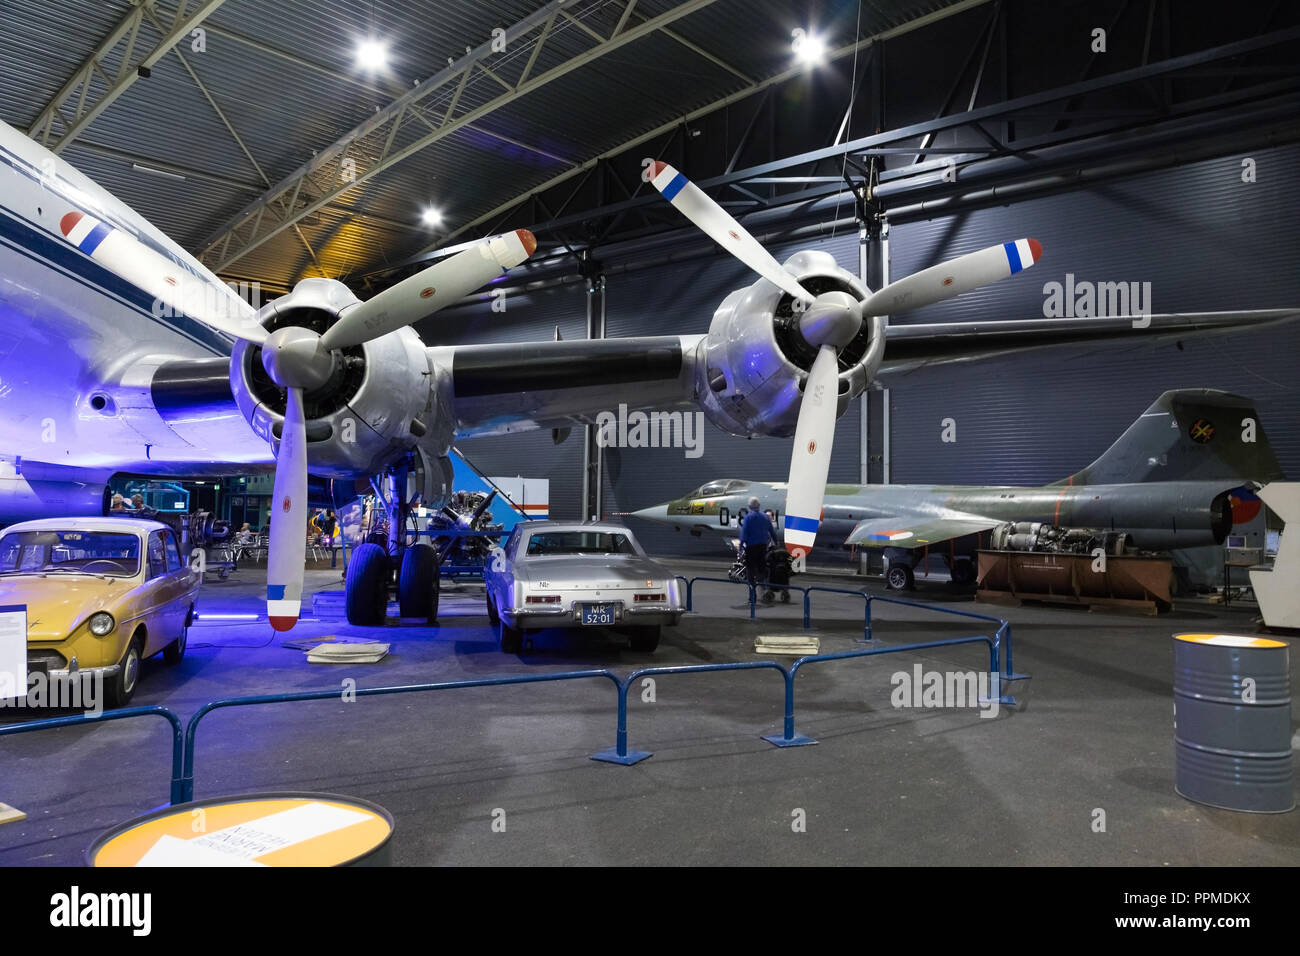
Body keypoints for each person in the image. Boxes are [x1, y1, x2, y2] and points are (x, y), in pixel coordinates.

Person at [739, 497, 778, 600]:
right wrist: (776, 543)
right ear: (759, 506)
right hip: (762, 548)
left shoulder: (748, 517)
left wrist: (741, 545)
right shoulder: (765, 517)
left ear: (749, 507)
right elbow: (772, 532)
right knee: (761, 570)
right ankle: (764, 590)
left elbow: (744, 533)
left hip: (751, 548)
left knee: (750, 572)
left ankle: (752, 595)